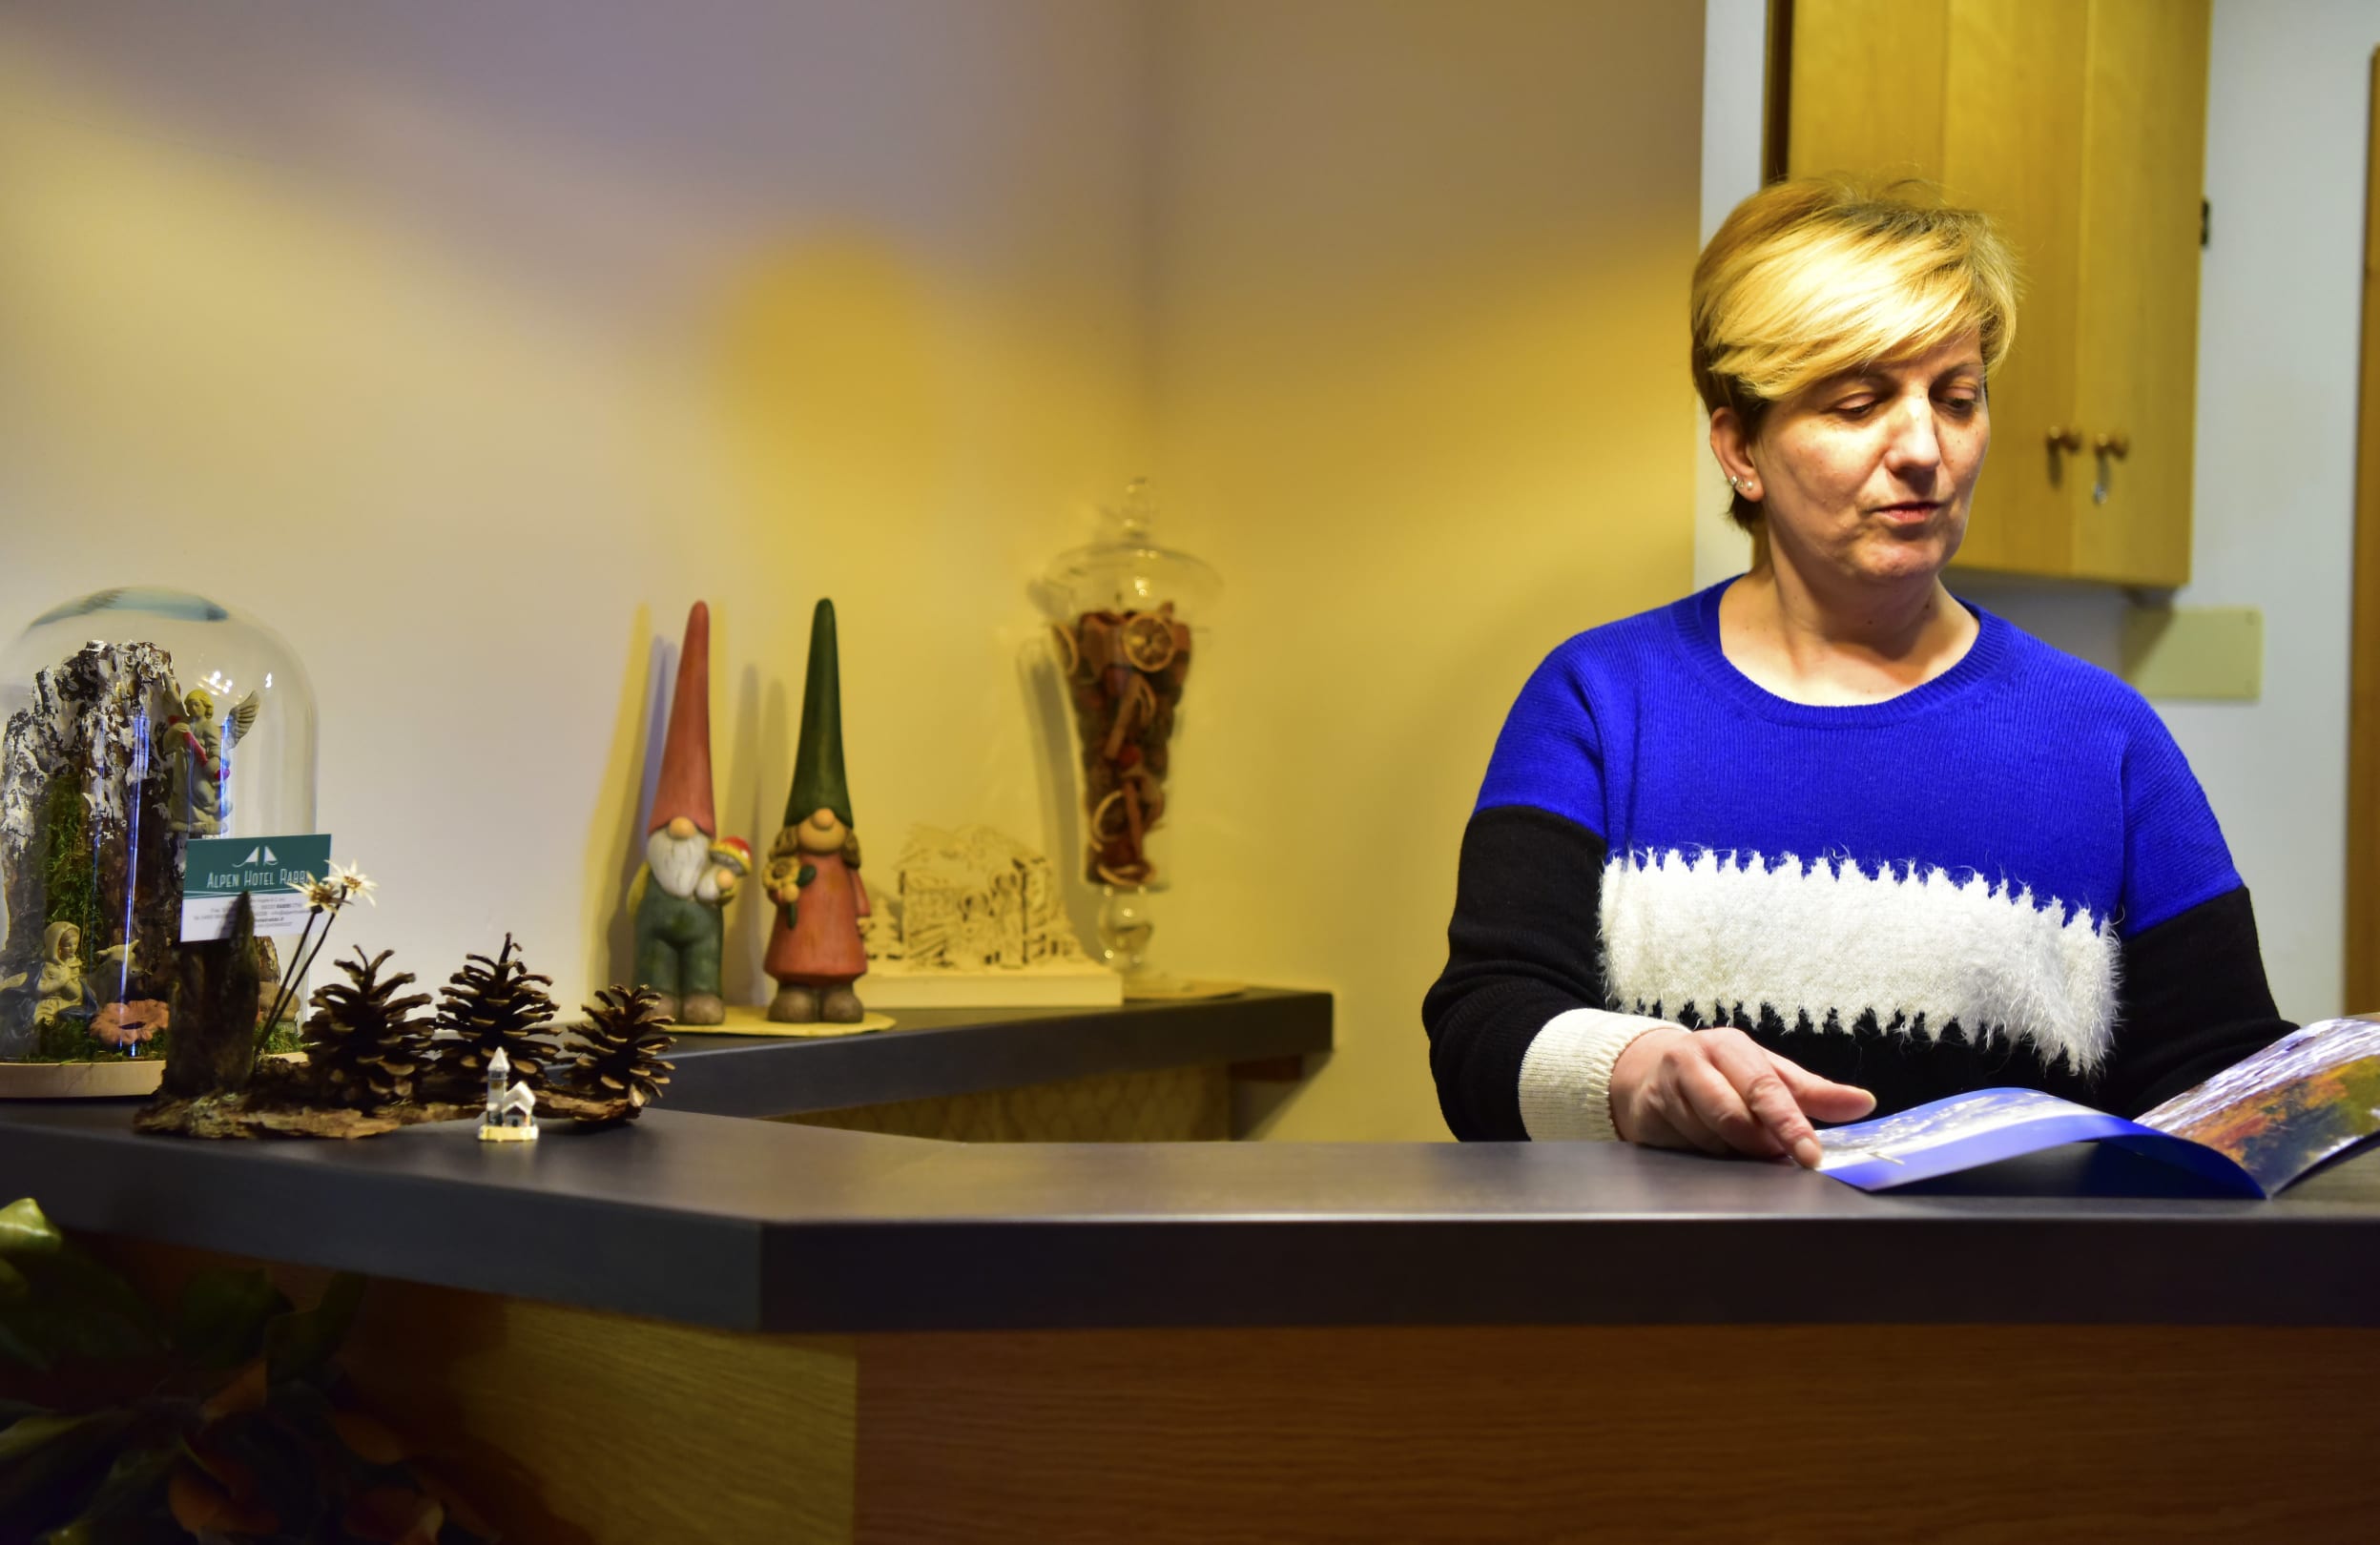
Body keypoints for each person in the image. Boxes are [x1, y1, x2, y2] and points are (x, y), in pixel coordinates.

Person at [1422, 178, 2291, 1166]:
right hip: (1673, 1269)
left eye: (1955, 399)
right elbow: (1481, 1037)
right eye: (1857, 402)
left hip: (2005, 1273)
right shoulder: (1599, 702)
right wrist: (1632, 1071)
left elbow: (2218, 1086)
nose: (1922, 449)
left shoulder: (2103, 737)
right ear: (1739, 448)